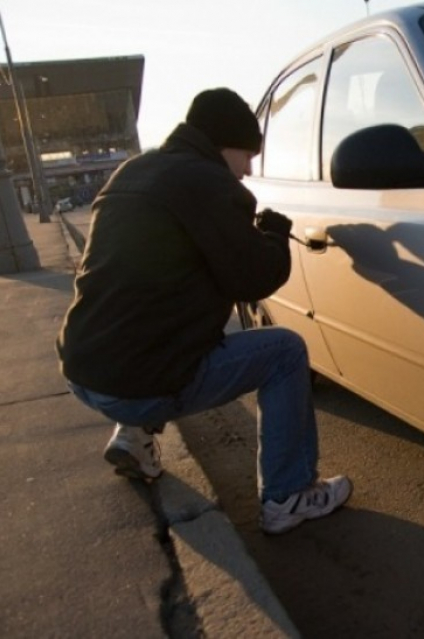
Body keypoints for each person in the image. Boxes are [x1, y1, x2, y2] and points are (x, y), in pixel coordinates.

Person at [56, 87, 352, 534]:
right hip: (141, 382)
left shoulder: (133, 171)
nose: (248, 170)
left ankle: (133, 436)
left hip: (83, 370)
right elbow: (254, 279)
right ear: (223, 143)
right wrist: (272, 232)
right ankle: (288, 495)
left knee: (143, 321)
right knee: (285, 352)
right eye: (247, 155)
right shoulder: (210, 183)